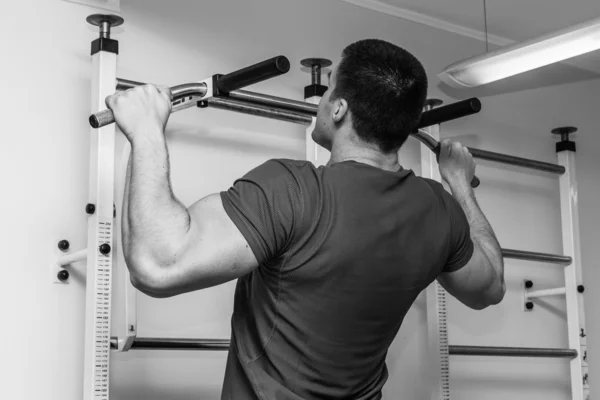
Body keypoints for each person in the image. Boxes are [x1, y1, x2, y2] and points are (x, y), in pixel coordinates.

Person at [106, 39, 505, 400]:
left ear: (338, 108)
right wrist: (460, 184)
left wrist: (146, 132)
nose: (322, 98)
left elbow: (157, 265)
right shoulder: (437, 207)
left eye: (329, 86)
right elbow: (488, 288)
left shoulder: (292, 189)